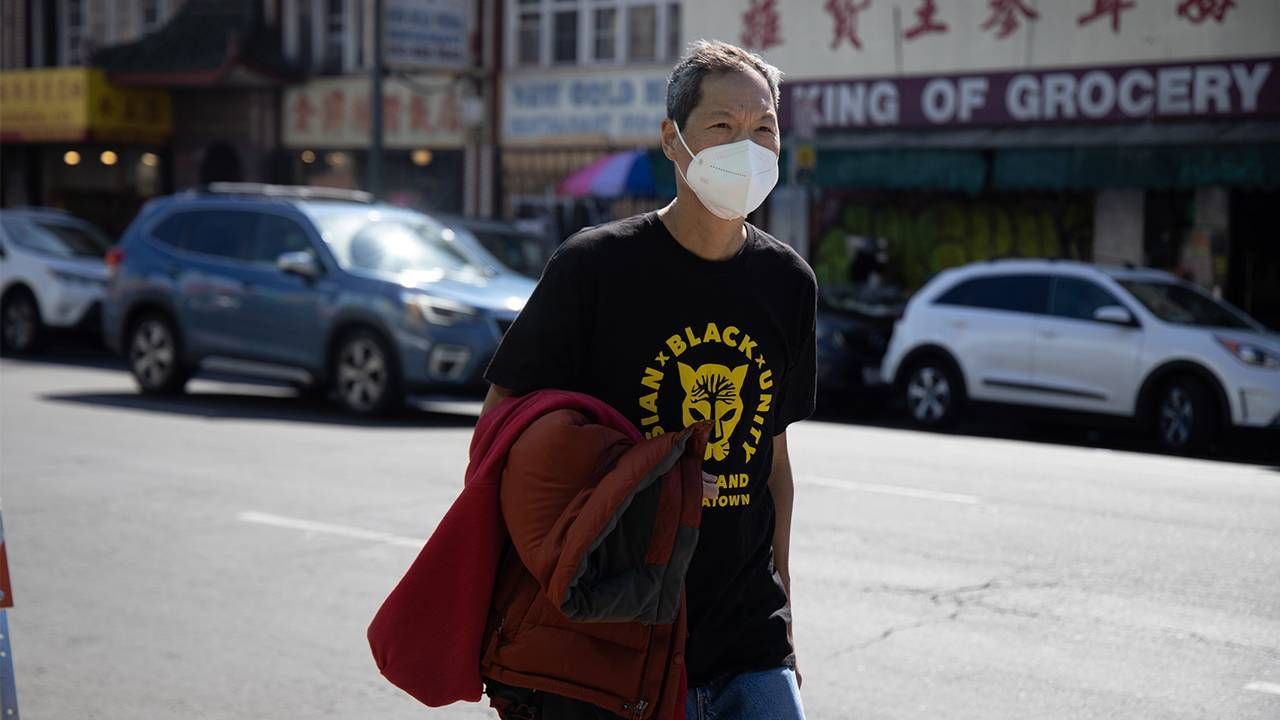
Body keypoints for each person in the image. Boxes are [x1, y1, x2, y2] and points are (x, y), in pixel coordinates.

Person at [481, 39, 816, 720]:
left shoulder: (788, 283)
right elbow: (502, 434)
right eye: (722, 127)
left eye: (764, 129)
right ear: (673, 139)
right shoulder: (594, 270)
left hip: (750, 641)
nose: (746, 148)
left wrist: (784, 619)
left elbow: (772, 462)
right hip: (617, 637)